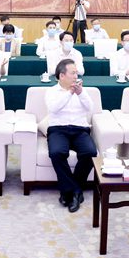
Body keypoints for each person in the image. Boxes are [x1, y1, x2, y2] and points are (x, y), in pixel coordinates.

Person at [46, 59, 97, 213]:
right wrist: (70, 93)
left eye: (76, 73)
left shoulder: (81, 91)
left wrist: (80, 94)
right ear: (62, 75)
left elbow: (90, 108)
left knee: (90, 152)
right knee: (57, 153)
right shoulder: (51, 92)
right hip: (58, 129)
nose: (76, 76)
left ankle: (68, 192)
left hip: (80, 129)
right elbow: (54, 108)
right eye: (73, 73)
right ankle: (75, 191)